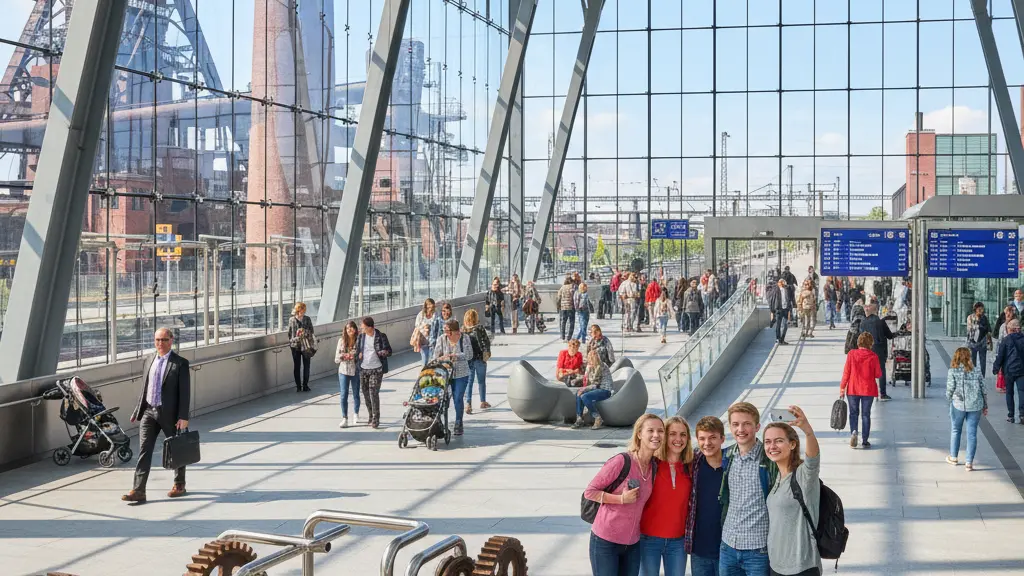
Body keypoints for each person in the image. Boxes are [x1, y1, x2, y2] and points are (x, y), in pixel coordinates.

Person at [584, 414, 663, 576]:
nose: (656, 435)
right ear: (639, 434)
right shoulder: (622, 461)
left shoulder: (654, 467)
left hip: (632, 544)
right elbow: (590, 492)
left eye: (660, 431)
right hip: (606, 542)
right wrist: (621, 499)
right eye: (651, 430)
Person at [122, 328, 190, 503]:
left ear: (171, 340)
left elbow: (185, 392)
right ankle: (138, 491)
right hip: (149, 412)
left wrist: (183, 417)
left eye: (164, 340)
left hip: (171, 415)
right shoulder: (149, 360)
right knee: (144, 451)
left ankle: (179, 484)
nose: (160, 343)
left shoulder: (180, 363)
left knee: (176, 449)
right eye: (157, 340)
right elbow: (145, 387)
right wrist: (138, 409)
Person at [719, 402, 778, 576]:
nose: (741, 429)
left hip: (757, 550)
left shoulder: (769, 459)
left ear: (757, 426)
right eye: (735, 424)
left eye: (746, 424)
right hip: (727, 546)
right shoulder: (727, 456)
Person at [763, 406, 821, 576]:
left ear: (793, 444)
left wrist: (807, 431)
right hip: (776, 565)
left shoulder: (803, 476)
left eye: (779, 441)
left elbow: (813, 460)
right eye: (768, 441)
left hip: (801, 567)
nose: (772, 446)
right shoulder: (777, 478)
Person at [639, 416, 694, 576]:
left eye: (683, 434)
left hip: (678, 541)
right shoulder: (651, 464)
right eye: (673, 434)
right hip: (649, 540)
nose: (678, 439)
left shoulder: (691, 466)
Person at [685, 416, 727, 576]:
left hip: (728, 549)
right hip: (699, 549)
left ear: (722, 439)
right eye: (702, 438)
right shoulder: (694, 463)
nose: (707, 443)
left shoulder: (732, 463)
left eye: (712, 438)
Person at [946, 347, 989, 470]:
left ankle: (954, 457)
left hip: (958, 405)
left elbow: (950, 389)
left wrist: (949, 400)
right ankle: (969, 462)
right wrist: (985, 405)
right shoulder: (976, 371)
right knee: (972, 433)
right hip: (975, 405)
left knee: (956, 430)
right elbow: (983, 389)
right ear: (969, 357)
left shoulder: (953, 371)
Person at [432, 319, 473, 436]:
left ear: (456, 331)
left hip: (461, 374)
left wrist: (455, 356)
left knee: (458, 398)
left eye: (448, 331)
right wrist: (442, 359)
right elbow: (436, 355)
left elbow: (469, 355)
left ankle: (458, 422)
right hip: (445, 373)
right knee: (442, 398)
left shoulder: (464, 338)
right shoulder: (442, 339)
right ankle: (438, 421)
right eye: (444, 330)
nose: (446, 333)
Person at [840, 332, 881, 449]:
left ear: (859, 342)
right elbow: (878, 374)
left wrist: (842, 387)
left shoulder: (851, 354)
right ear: (870, 344)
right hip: (868, 390)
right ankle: (865, 440)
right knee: (865, 415)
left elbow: (846, 373)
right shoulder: (873, 356)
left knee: (853, 413)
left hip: (853, 389)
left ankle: (853, 432)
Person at [356, 316, 392, 429]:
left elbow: (389, 351)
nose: (362, 329)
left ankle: (376, 418)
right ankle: (370, 415)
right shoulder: (361, 337)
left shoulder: (381, 336)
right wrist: (358, 355)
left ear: (370, 327)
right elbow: (357, 350)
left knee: (373, 393)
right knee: (366, 394)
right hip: (363, 368)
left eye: (364, 327)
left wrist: (383, 352)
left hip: (376, 369)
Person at [858, 303, 895, 401]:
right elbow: (889, 335)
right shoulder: (880, 322)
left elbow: (860, 335)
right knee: (881, 371)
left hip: (866, 349)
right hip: (878, 349)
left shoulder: (863, 322)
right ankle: (882, 393)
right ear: (876, 311)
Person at [573, 349, 615, 430]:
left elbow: (596, 384)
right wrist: (578, 379)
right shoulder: (589, 366)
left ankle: (597, 418)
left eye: (593, 359)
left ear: (597, 358)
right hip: (595, 389)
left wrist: (584, 389)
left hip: (605, 390)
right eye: (590, 359)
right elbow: (586, 379)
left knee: (584, 396)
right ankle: (579, 418)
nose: (590, 362)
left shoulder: (601, 366)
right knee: (579, 393)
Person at [992, 319, 1024, 423]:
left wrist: (996, 368)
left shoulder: (1006, 340)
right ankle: (1022, 414)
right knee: (1022, 392)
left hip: (1009, 370)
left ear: (1012, 329)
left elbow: (1000, 356)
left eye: (1008, 328)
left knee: (1009, 393)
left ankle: (1011, 415)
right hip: (1022, 370)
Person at [464, 309, 492, 413]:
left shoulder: (464, 330)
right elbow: (486, 341)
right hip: (480, 358)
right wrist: (487, 352)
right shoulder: (480, 328)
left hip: (469, 360)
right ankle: (483, 402)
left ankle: (468, 403)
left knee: (469, 382)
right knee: (481, 381)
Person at [335, 320, 361, 428]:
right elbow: (336, 359)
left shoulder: (359, 341)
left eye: (351, 327)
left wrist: (354, 357)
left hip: (355, 370)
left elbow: (361, 356)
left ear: (355, 329)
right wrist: (342, 357)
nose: (349, 330)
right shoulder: (341, 341)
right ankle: (344, 418)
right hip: (343, 371)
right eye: (347, 328)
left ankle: (356, 414)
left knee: (356, 394)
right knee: (343, 394)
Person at [288, 302, 314, 392]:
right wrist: (293, 340)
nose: (302, 311)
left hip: (306, 345)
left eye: (303, 309)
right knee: (297, 366)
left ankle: (305, 385)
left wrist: (304, 333)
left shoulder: (307, 319)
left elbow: (311, 331)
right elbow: (290, 333)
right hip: (295, 346)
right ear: (297, 310)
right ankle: (298, 386)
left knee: (307, 366)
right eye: (300, 309)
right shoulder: (292, 320)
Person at [966, 302, 992, 378]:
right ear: (975, 309)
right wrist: (979, 324)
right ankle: (973, 376)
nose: (981, 310)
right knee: (972, 361)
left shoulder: (984, 318)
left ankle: (982, 377)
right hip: (972, 343)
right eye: (979, 309)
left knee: (983, 362)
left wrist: (990, 341)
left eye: (982, 308)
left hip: (982, 343)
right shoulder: (970, 317)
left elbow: (988, 329)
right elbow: (970, 328)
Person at [413, 298, 440, 366]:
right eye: (430, 306)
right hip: (422, 339)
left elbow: (439, 325)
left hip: (433, 340)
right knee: (425, 358)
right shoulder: (421, 314)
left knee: (432, 359)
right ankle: (424, 373)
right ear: (426, 306)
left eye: (433, 306)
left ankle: (430, 373)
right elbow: (417, 325)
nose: (432, 308)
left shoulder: (436, 314)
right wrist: (424, 327)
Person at [767, 278, 792, 345]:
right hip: (779, 309)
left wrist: (790, 307)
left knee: (785, 325)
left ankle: (782, 339)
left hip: (785, 309)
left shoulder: (787, 289)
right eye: (782, 282)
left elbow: (789, 299)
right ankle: (778, 339)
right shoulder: (775, 290)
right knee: (778, 324)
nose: (784, 283)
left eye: (784, 282)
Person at [558, 276, 577, 341]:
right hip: (571, 306)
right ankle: (569, 337)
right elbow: (576, 295)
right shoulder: (574, 286)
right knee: (571, 321)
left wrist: (559, 305)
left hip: (563, 307)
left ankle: (562, 336)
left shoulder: (562, 287)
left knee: (563, 321)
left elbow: (559, 296)